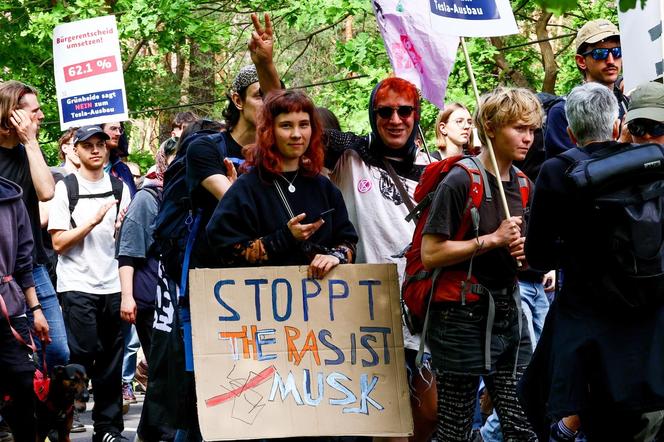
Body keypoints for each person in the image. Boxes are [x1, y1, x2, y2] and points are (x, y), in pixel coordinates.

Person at [523, 82, 664, 441]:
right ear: (618, 127)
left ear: (570, 133)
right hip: (645, 328)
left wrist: (573, 251)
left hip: (586, 329)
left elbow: (537, 257)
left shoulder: (556, 171)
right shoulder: (646, 165)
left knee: (551, 404)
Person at [420, 87, 541, 441]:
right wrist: (491, 240)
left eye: (532, 129)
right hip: (460, 318)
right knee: (455, 430)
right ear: (489, 126)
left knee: (524, 422)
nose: (527, 138)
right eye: (519, 128)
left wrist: (525, 253)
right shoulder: (460, 180)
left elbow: (523, 253)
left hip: (509, 314)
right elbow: (431, 253)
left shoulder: (522, 184)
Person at [321, 77, 436, 442]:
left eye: (405, 111)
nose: (395, 119)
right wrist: (265, 65)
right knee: (388, 426)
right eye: (385, 111)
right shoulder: (350, 158)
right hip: (369, 313)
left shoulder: (436, 167)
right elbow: (294, 125)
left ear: (416, 116)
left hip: (423, 309)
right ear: (373, 115)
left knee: (429, 415)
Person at [206, 88, 357, 275]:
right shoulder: (247, 188)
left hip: (320, 299)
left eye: (303, 124)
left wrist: (336, 256)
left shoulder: (325, 187)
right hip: (261, 298)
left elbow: (348, 241)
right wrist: (283, 238)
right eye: (286, 126)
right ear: (269, 131)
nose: (296, 134)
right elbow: (223, 247)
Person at [48, 125, 131, 441]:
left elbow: (123, 242)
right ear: (76, 151)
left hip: (112, 285)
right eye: (88, 145)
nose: (95, 150)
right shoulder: (65, 188)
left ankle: (108, 430)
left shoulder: (119, 187)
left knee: (112, 361)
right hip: (77, 285)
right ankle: (60, 426)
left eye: (100, 144)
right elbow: (58, 243)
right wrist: (92, 221)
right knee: (79, 360)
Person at [0, 80, 69, 371]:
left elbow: (47, 192)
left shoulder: (28, 152)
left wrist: (30, 142)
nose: (41, 116)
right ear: (13, 114)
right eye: (35, 111)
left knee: (57, 351)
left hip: (33, 265)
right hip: (3, 268)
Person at [117, 141, 174, 441]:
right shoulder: (147, 197)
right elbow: (128, 251)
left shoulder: (185, 193)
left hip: (177, 296)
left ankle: (150, 429)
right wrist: (127, 297)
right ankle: (159, 431)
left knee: (169, 368)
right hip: (150, 297)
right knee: (161, 368)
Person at [0, 175, 49, 442]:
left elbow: (23, 260)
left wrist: (37, 309)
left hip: (10, 306)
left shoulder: (11, 197)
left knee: (22, 385)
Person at [545, 19, 627, 159]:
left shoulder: (627, 104)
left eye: (617, 51)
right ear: (581, 61)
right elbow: (565, 171)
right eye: (600, 53)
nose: (611, 60)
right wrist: (621, 145)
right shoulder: (563, 111)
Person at [102, 121, 137, 197]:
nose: (118, 133)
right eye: (113, 128)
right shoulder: (86, 168)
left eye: (120, 130)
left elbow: (133, 199)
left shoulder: (123, 169)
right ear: (100, 130)